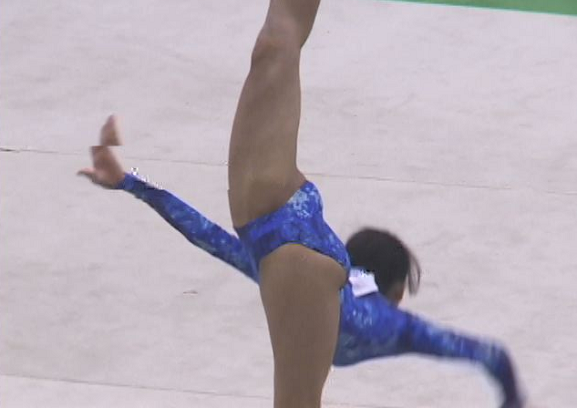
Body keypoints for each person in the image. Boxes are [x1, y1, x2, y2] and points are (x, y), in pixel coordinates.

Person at [79, 117, 525, 408]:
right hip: (290, 227)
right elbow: (493, 355)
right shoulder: (391, 324)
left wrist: (131, 183)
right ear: (395, 292)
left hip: (286, 224)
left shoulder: (305, 284)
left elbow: (208, 235)